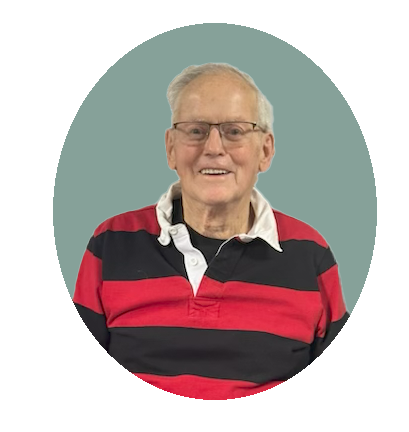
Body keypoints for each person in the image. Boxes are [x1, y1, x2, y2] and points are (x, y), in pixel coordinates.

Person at [73, 63, 350, 400]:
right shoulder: (111, 243)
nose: (214, 148)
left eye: (234, 131)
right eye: (195, 130)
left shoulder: (310, 253)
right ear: (171, 148)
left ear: (265, 151)